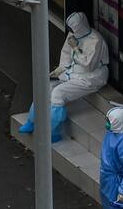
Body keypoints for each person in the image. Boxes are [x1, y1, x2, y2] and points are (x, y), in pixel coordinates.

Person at [19, 11, 109, 143]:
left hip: (90, 77)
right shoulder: (73, 35)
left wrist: (76, 49)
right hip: (72, 72)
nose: (71, 31)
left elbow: (89, 65)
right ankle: (32, 120)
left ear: (80, 26)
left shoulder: (96, 41)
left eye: (74, 28)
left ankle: (53, 131)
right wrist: (59, 70)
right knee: (47, 87)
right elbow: (66, 54)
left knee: (58, 93)